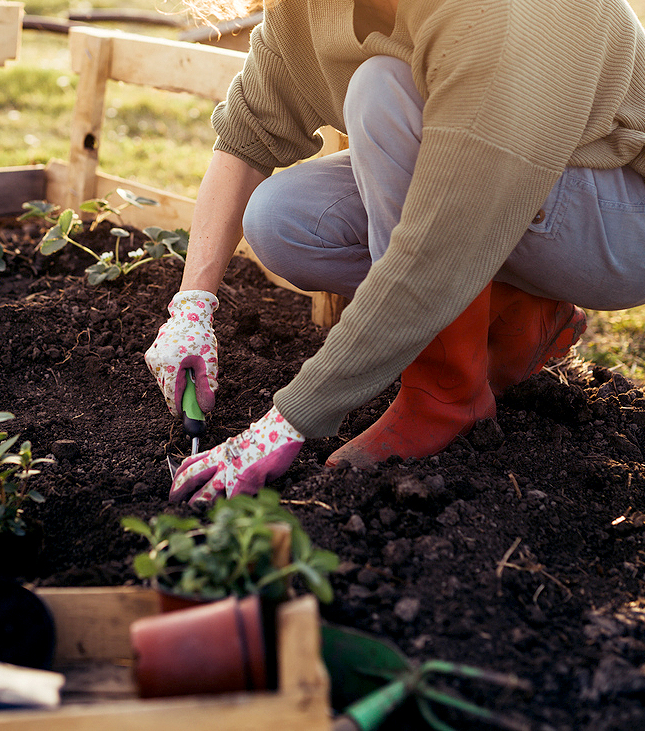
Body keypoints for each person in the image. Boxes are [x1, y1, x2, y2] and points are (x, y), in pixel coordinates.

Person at [145, 0, 645, 504]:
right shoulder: (307, 9)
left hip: (624, 216)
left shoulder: (491, 12)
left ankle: (445, 394)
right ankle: (517, 312)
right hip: (511, 185)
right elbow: (247, 136)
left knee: (382, 91)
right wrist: (191, 306)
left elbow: (437, 248)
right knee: (282, 218)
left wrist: (286, 422)